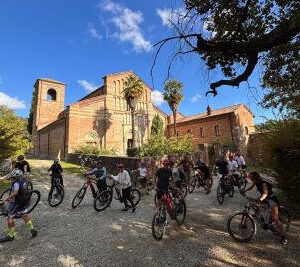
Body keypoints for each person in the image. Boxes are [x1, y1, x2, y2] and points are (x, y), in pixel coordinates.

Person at [244, 171, 287, 245]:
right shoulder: (256, 182)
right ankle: (261, 217)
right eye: (250, 179)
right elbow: (251, 187)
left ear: (255, 178)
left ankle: (283, 237)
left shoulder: (264, 183)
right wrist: (244, 190)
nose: (251, 180)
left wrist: (260, 199)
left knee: (276, 219)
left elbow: (265, 193)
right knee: (253, 204)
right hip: (264, 198)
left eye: (252, 178)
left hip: (271, 199)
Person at [0, 169, 37, 243]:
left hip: (18, 202)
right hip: (24, 201)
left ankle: (11, 236)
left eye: (12, 177)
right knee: (24, 214)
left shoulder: (16, 184)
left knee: (10, 217)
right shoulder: (24, 181)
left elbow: (15, 193)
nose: (11, 179)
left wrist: (5, 200)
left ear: (16, 177)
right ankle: (32, 229)